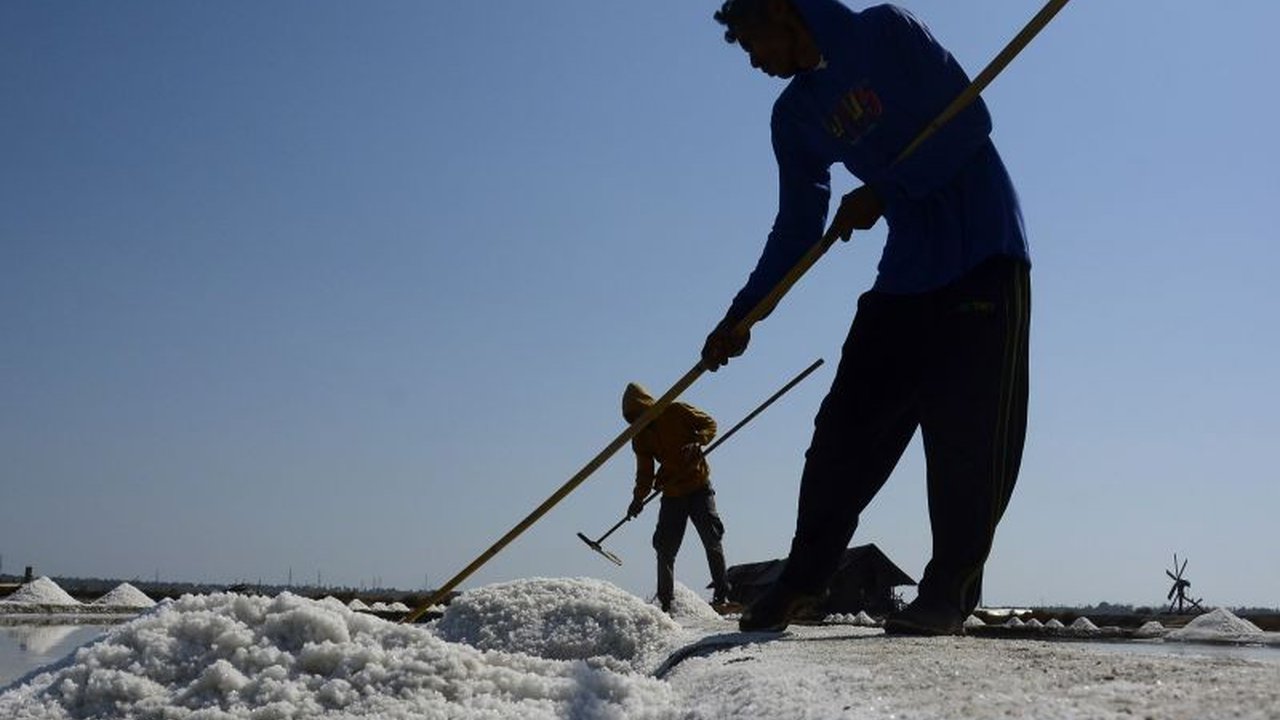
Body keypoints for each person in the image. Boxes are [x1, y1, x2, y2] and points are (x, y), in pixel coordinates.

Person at [701, 0, 1031, 636]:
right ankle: (802, 580)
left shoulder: (885, 32)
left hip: (983, 250)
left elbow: (969, 124)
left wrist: (886, 190)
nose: (754, 60)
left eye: (752, 41)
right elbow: (799, 224)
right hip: (906, 274)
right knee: (843, 432)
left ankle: (946, 595)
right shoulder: (795, 114)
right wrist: (744, 315)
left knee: (969, 438)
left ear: (781, 10)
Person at [622, 382, 731, 612]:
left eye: (638, 415)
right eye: (633, 418)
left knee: (712, 539)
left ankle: (723, 595)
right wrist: (638, 499)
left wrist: (699, 440)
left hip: (698, 485)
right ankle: (665, 604)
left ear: (647, 407)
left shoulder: (675, 410)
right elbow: (645, 472)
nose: (637, 421)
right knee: (665, 548)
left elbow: (709, 424)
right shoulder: (640, 437)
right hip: (672, 493)